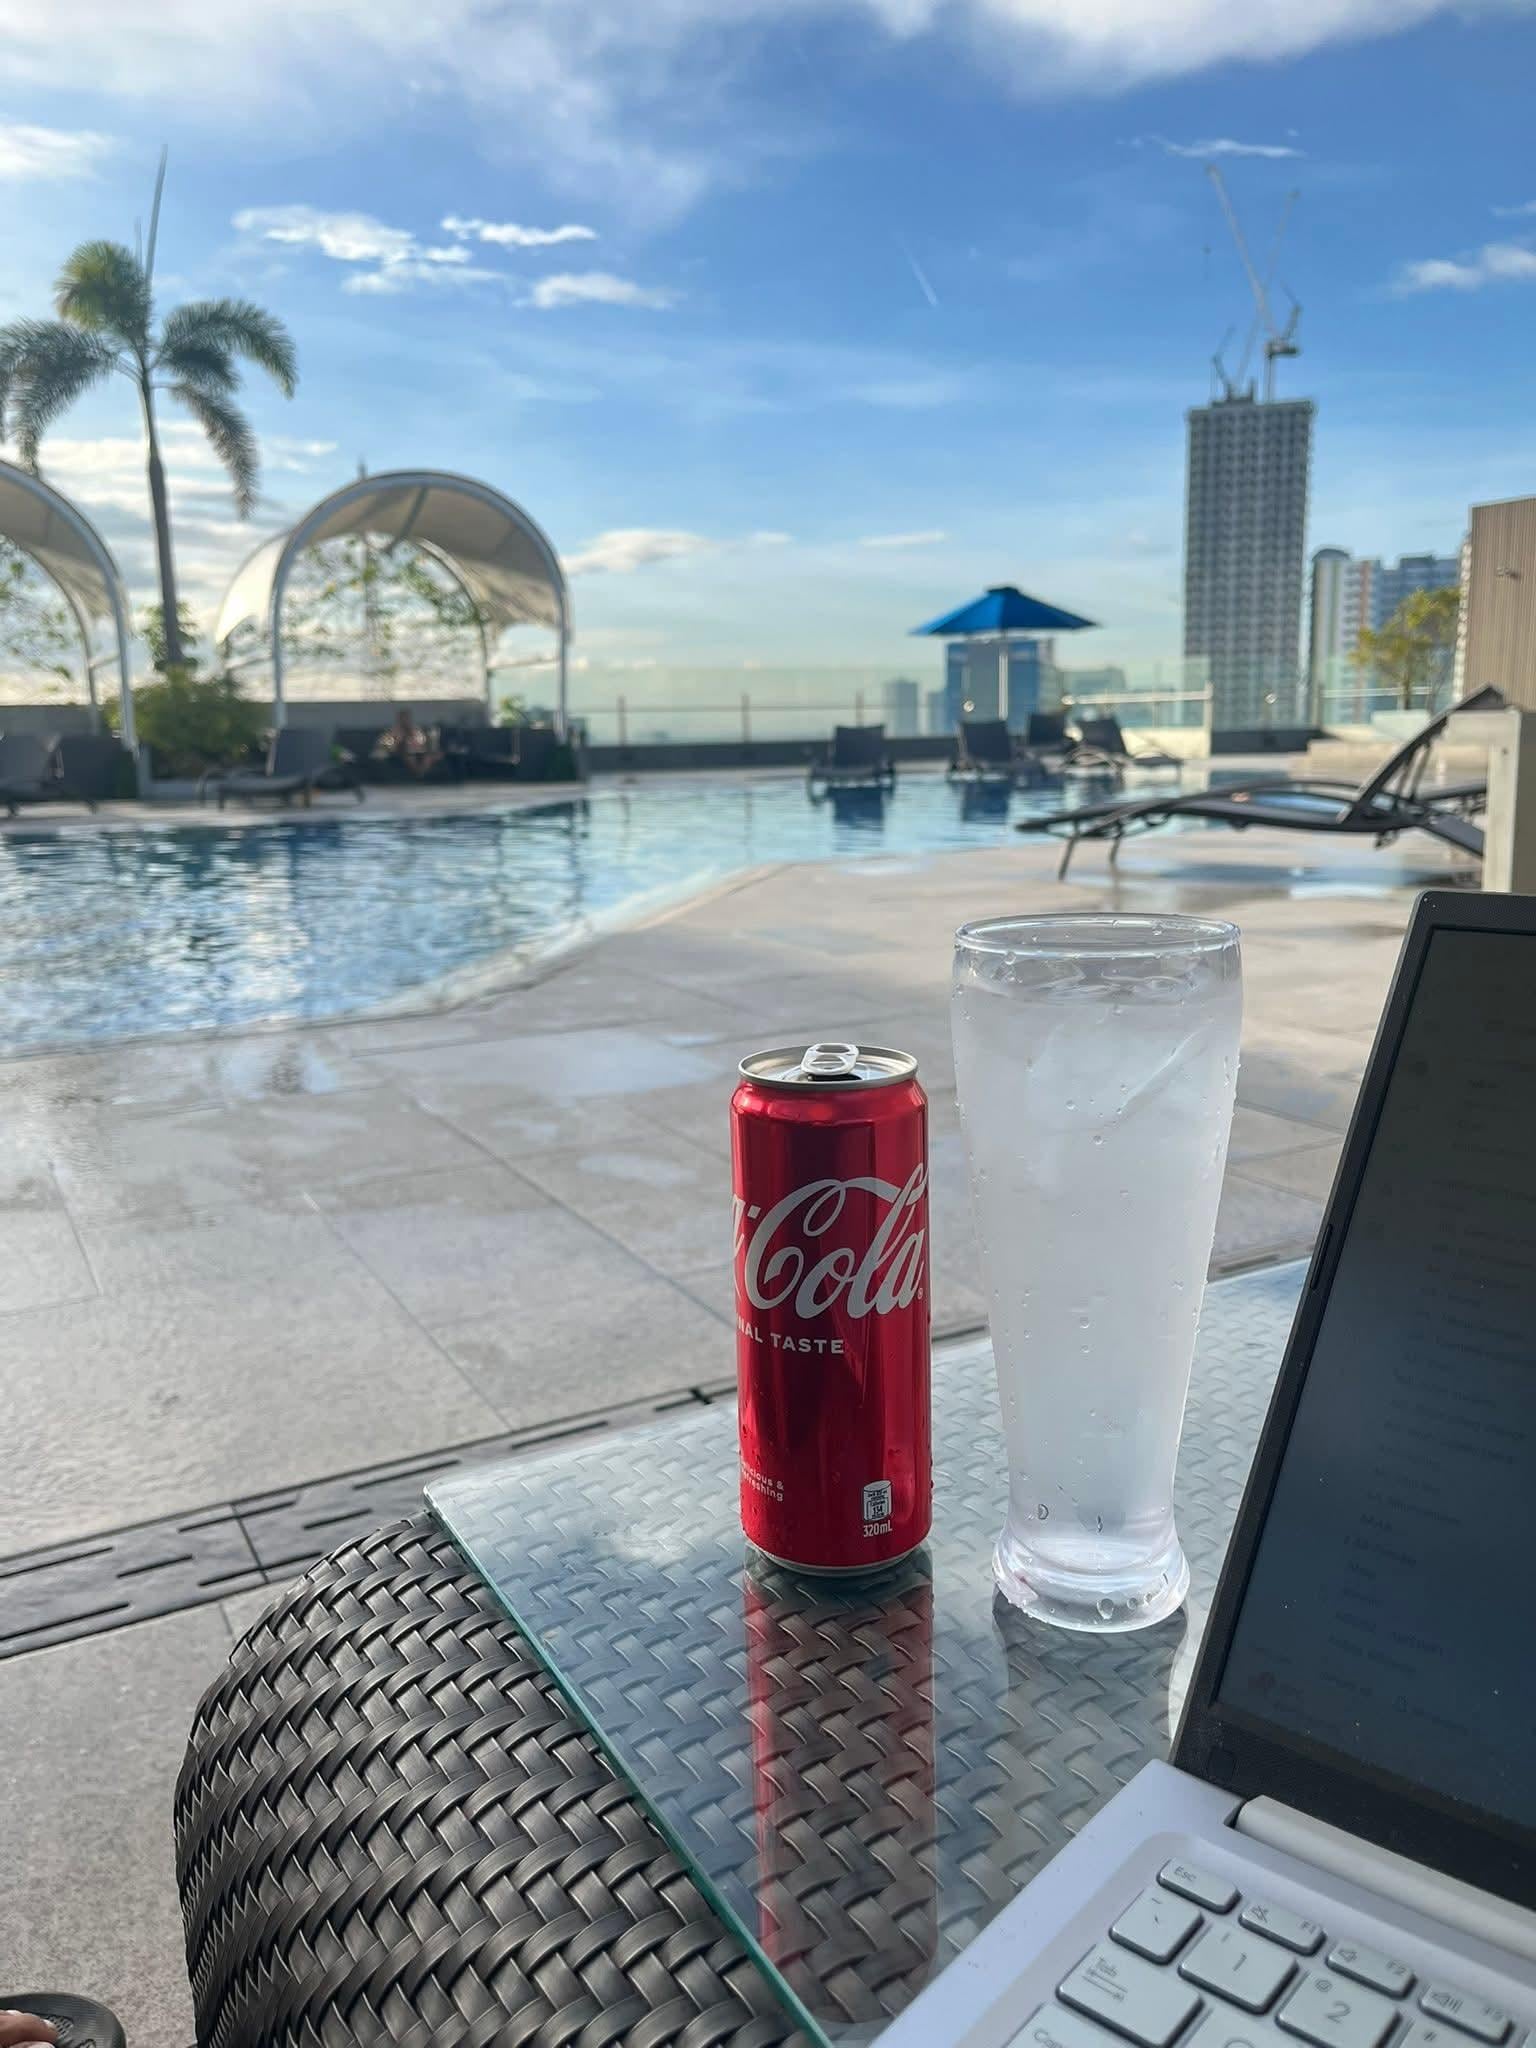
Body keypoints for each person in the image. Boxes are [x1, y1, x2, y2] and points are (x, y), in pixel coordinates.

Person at [379, 705, 441, 780]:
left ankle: (421, 773)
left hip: (416, 751)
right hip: (399, 753)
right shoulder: (393, 731)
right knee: (410, 756)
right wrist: (399, 740)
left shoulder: (415, 730)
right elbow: (387, 746)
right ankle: (419, 774)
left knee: (429, 756)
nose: (405, 720)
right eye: (403, 718)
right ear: (399, 719)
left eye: (407, 718)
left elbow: (421, 742)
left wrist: (421, 745)